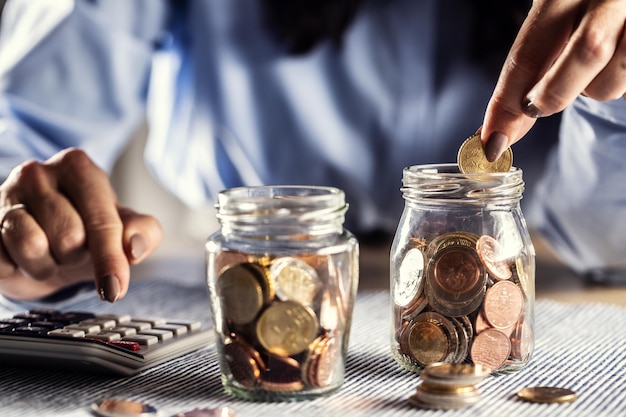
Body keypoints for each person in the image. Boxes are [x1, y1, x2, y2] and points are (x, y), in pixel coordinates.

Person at [0, 0, 625, 306]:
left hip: (541, 283)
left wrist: (616, 87)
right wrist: (29, 226)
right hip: (232, 280)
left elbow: (614, 246)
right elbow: (20, 139)